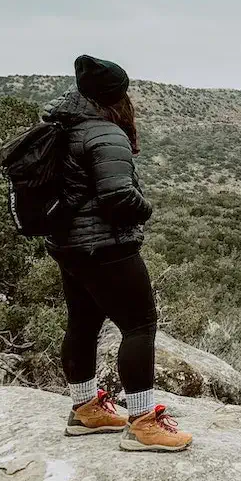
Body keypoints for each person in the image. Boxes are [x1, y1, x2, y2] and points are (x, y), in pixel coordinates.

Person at [43, 54, 192, 452]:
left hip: (68, 245)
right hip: (106, 246)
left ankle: (86, 409)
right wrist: (146, 207)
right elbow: (118, 197)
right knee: (139, 325)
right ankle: (144, 423)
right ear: (117, 96)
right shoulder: (106, 134)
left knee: (82, 323)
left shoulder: (62, 125)